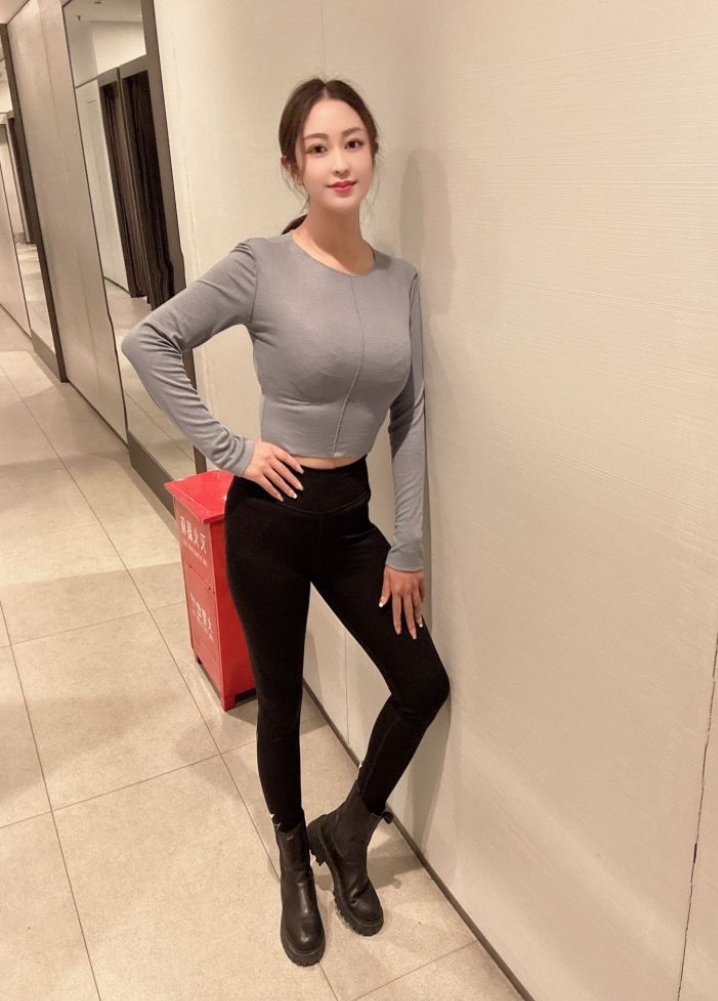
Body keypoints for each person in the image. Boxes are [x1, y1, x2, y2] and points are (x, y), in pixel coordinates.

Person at [121, 76, 450, 967]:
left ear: (372, 153)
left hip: (349, 519)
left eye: (353, 141)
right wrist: (230, 448)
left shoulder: (400, 282)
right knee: (278, 697)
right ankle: (293, 854)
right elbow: (150, 342)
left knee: (421, 682)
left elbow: (409, 416)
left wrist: (408, 543)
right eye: (318, 147)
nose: (339, 161)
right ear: (292, 166)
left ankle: (347, 830)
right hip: (269, 517)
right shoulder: (262, 263)